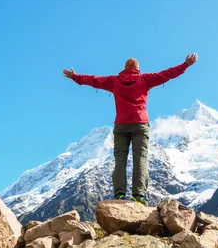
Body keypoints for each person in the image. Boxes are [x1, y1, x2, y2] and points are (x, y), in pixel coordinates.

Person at [62, 53, 198, 205]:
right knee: (140, 158)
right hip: (140, 123)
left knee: (120, 159)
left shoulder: (114, 81)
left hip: (121, 125)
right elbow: (165, 75)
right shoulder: (145, 79)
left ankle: (119, 194)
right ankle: (138, 196)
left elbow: (94, 80)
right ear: (137, 68)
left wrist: (75, 76)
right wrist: (185, 65)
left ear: (124, 68)